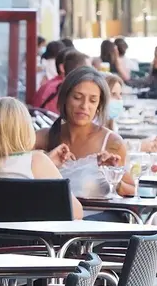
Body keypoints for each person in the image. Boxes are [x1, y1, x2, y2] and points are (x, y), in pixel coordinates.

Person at [0, 96, 82, 218]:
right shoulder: (36, 161)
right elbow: (76, 212)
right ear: (26, 129)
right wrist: (45, 163)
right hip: (29, 239)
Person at [36, 67, 136, 198]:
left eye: (93, 100)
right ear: (65, 99)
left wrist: (113, 178)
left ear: (99, 106)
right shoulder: (43, 137)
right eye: (77, 97)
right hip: (50, 216)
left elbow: (132, 190)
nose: (84, 106)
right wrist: (46, 160)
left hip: (96, 217)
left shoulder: (112, 143)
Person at [104, 73, 157, 153]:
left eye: (120, 94)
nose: (119, 99)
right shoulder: (94, 125)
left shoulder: (112, 123)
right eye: (113, 94)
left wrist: (147, 144)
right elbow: (107, 148)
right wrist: (139, 146)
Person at [32, 48, 90, 114]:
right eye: (86, 70)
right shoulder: (59, 89)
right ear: (62, 67)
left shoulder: (51, 85)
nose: (90, 74)